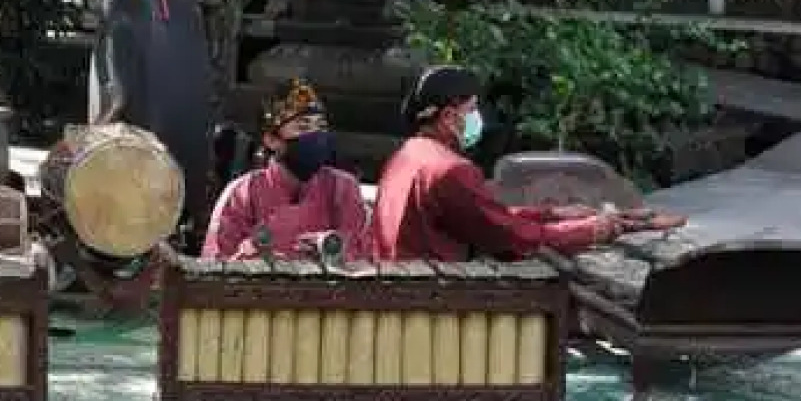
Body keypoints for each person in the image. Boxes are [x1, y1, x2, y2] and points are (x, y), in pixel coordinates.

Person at [369, 65, 640, 261]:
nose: (477, 117)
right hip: (430, 294)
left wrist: (553, 214)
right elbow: (506, 236)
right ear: (449, 117)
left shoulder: (407, 154)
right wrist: (586, 231)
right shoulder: (450, 169)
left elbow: (479, 215)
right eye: (471, 109)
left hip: (400, 275)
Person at [202, 80, 369, 260]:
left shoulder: (342, 188)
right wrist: (251, 257)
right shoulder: (242, 193)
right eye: (303, 127)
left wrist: (334, 256)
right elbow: (214, 264)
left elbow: (363, 258)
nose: (316, 136)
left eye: (321, 127)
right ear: (272, 140)